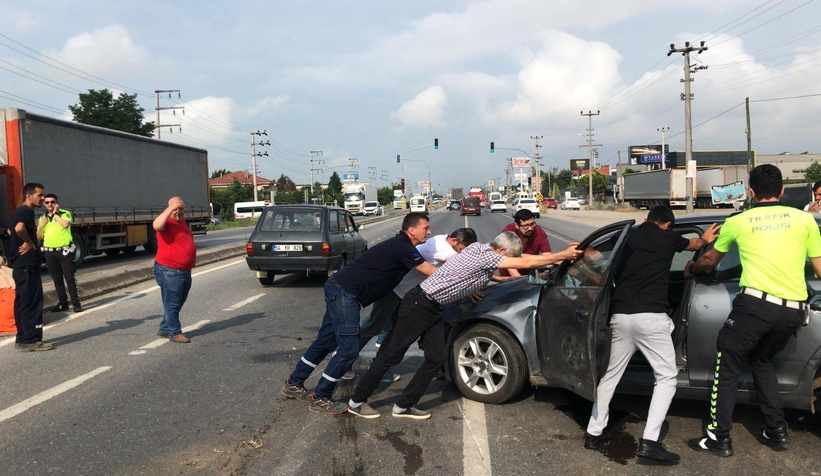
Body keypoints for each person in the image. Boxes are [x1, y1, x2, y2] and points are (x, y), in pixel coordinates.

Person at [347, 231, 583, 420]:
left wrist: (498, 279)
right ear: (501, 250)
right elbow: (529, 260)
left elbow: (471, 272)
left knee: (436, 357)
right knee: (390, 355)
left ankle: (404, 405)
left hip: (433, 307)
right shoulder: (487, 254)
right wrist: (562, 255)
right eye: (509, 257)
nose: (510, 261)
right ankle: (357, 402)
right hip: (419, 304)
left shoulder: (477, 249)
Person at [686, 164, 821, 457]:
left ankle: (718, 437)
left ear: (750, 192)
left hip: (756, 306)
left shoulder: (738, 221)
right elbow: (820, 270)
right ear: (783, 190)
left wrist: (692, 268)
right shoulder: (806, 220)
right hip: (794, 312)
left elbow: (709, 262)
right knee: (762, 360)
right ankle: (776, 429)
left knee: (728, 363)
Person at [583, 206, 720, 464]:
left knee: (611, 375)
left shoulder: (627, 235)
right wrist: (707, 239)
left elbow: (592, 256)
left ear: (646, 220)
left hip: (621, 316)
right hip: (650, 318)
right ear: (667, 225)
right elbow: (695, 244)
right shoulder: (668, 236)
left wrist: (582, 253)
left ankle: (593, 433)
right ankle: (649, 443)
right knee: (667, 377)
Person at [281, 212, 438, 415]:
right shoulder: (403, 247)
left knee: (326, 342)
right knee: (348, 349)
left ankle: (294, 383)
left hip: (339, 288)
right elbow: (429, 270)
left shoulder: (403, 246)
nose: (429, 231)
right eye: (425, 228)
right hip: (345, 293)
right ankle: (321, 397)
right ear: (411, 230)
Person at [349, 228, 479, 381]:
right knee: (372, 327)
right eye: (461, 249)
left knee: (396, 331)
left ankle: (379, 367)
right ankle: (344, 359)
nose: (460, 253)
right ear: (454, 241)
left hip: (405, 294)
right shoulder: (441, 247)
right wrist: (472, 286)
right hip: (393, 290)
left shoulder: (442, 240)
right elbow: (458, 269)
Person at [11, 183, 52, 352]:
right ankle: (32, 340)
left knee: (21, 301)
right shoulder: (26, 211)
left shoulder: (17, 211)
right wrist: (29, 242)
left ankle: (22, 338)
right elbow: (18, 228)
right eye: (40, 195)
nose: (43, 198)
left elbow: (11, 230)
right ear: (29, 196)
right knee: (32, 301)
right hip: (28, 264)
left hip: (20, 265)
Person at [153, 196, 197, 344]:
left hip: (183, 270)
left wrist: (191, 260)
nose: (178, 211)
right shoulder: (166, 222)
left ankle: (165, 327)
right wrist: (170, 208)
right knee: (172, 302)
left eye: (181, 209)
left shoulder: (181, 222)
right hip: (169, 270)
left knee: (177, 302)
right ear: (169, 209)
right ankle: (174, 332)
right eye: (175, 209)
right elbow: (156, 226)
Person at [37, 193, 82, 313]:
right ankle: (63, 303)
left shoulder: (64, 213)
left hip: (64, 251)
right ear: (44, 204)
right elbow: (39, 236)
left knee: (69, 277)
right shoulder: (42, 218)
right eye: (47, 202)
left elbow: (65, 224)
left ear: (56, 203)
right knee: (57, 279)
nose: (50, 204)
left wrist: (56, 213)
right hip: (50, 252)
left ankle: (76, 303)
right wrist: (41, 226)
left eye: (52, 202)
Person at [499, 209, 552, 277]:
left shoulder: (539, 232)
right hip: (508, 276)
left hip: (531, 274)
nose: (530, 228)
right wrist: (521, 281)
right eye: (526, 225)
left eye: (532, 224)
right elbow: (509, 263)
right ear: (517, 226)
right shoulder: (508, 232)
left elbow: (548, 258)